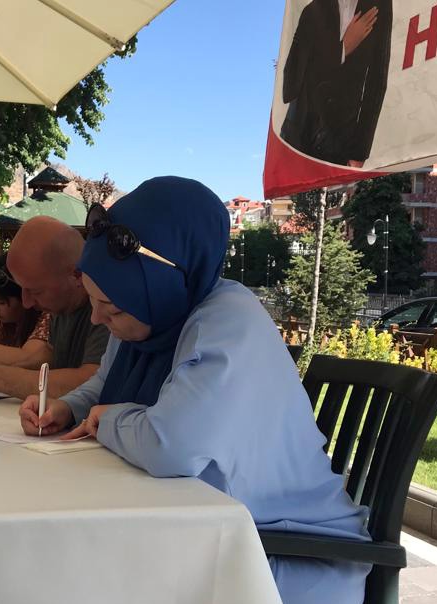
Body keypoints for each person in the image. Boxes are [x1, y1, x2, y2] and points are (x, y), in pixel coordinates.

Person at [19, 176, 370, 604]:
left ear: (160, 285)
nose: (94, 318)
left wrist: (108, 419)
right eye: (92, 300)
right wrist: (67, 409)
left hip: (284, 555)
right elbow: (102, 387)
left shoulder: (227, 321)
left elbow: (171, 446)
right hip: (206, 528)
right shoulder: (149, 314)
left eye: (108, 307)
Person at [0, 217, 108, 400]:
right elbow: (47, 364)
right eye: (22, 289)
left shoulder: (108, 309)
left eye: (35, 291)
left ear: (76, 276)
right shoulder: (61, 306)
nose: (26, 302)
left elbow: (92, 383)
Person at [280, 0, 392, 167]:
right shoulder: (313, 10)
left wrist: (360, 151)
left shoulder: (379, 6)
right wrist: (342, 50)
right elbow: (290, 84)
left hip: (340, 145)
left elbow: (377, 80)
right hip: (296, 139)